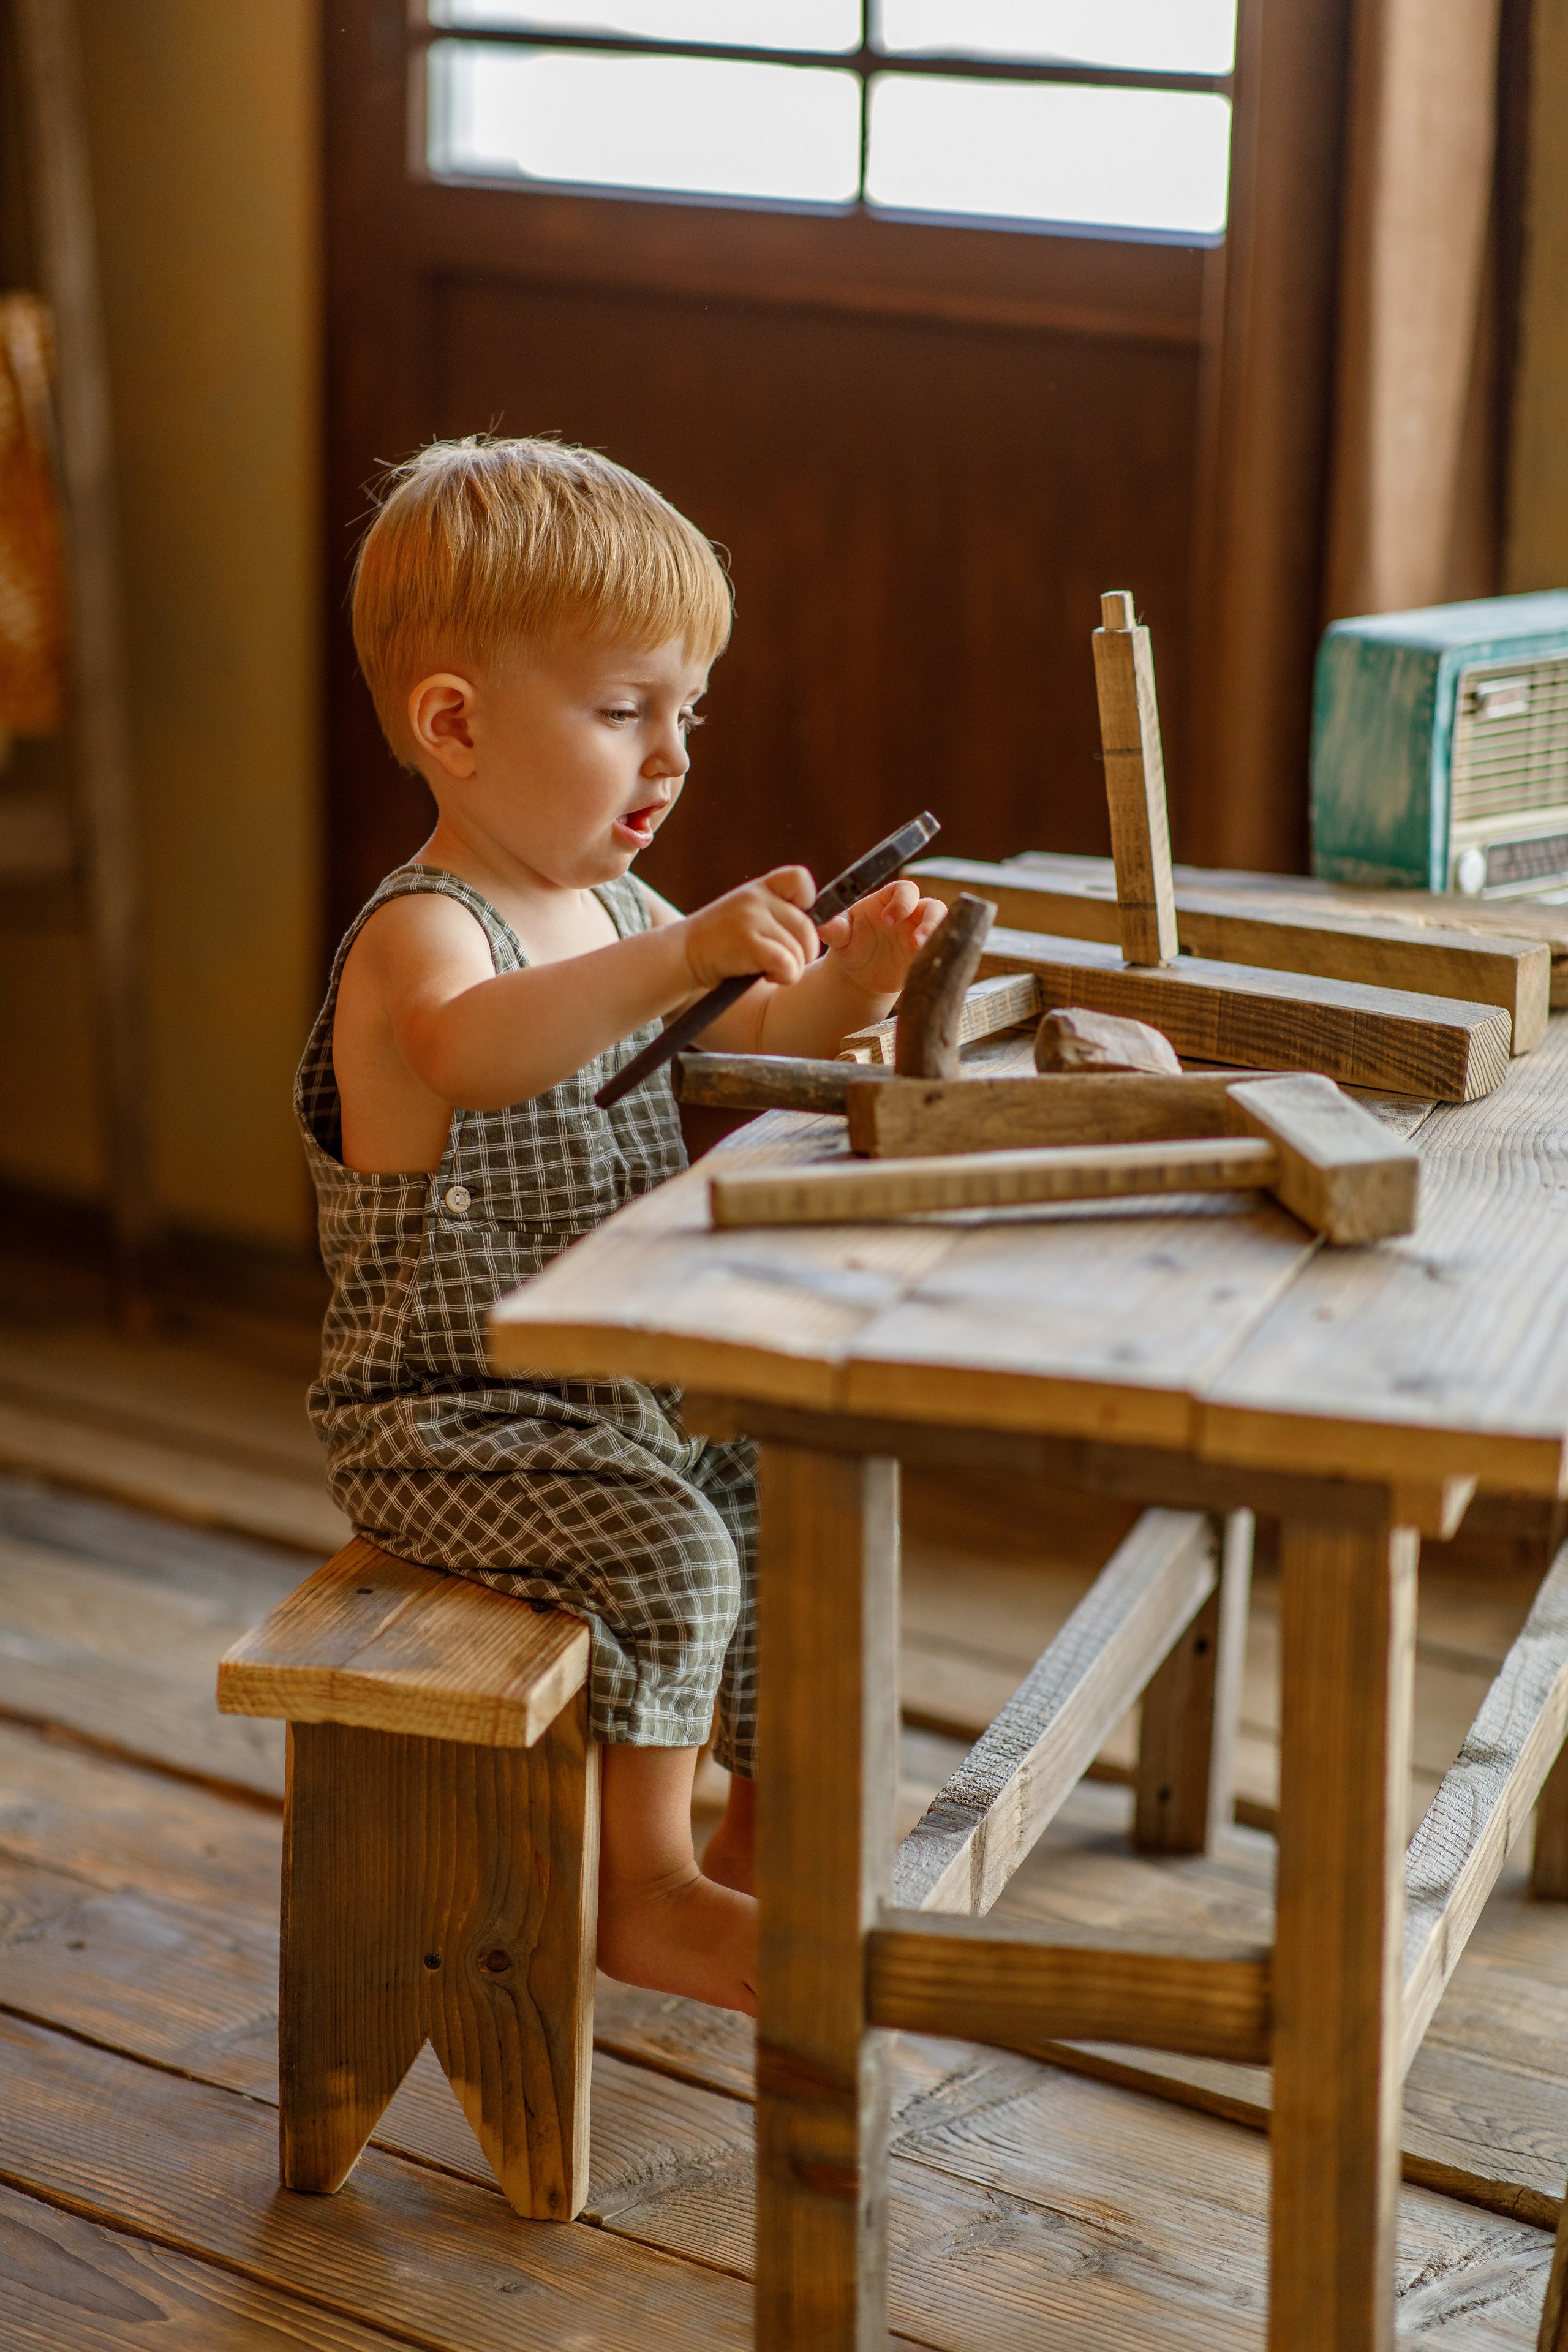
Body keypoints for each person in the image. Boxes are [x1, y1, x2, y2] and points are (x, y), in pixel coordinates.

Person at [298, 435, 944, 2016]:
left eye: (688, 717)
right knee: (666, 1551)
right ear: (454, 723)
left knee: (791, 1470)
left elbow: (755, 1022)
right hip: (454, 1417)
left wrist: (849, 979)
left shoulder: (616, 910)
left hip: (616, 1390)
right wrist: (673, 962)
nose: (671, 759)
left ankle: (768, 1822)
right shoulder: (422, 936)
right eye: (620, 713)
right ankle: (641, 1894)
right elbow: (476, 1049)